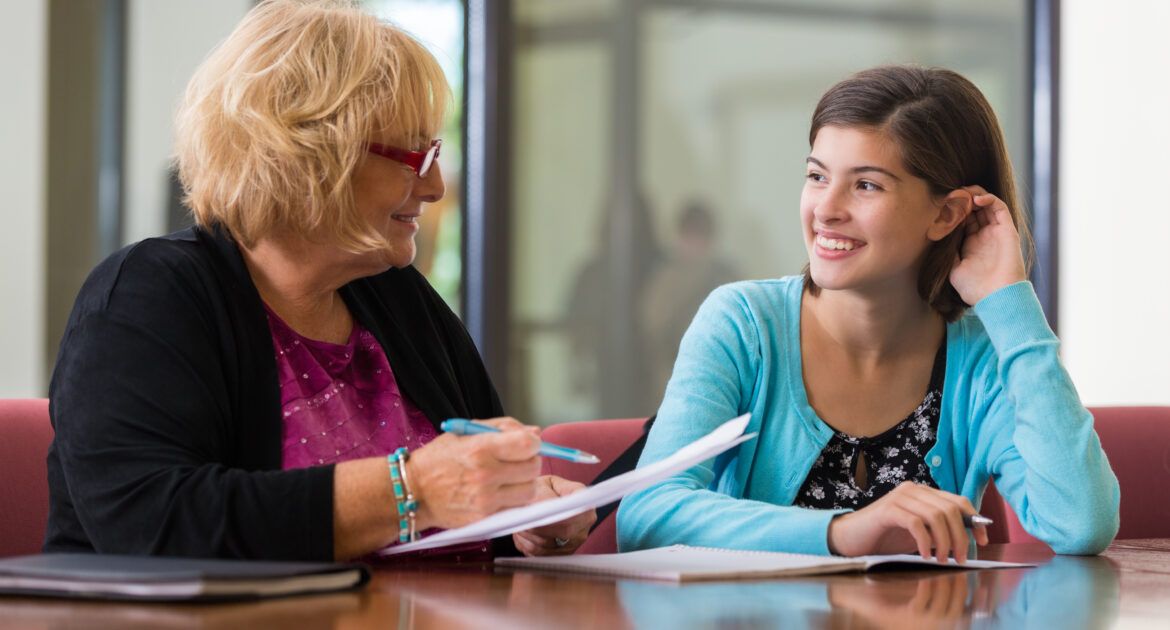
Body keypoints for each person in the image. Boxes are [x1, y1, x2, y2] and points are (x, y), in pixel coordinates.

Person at [45, 0, 593, 562]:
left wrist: (526, 518)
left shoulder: (399, 296)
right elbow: (154, 527)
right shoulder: (147, 297)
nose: (433, 189)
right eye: (412, 155)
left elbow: (467, 514)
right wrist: (411, 490)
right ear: (305, 155)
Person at [617, 65, 1119, 562]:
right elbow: (648, 516)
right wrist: (845, 532)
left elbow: (1080, 522)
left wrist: (1010, 303)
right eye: (817, 176)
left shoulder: (984, 357)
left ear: (945, 215)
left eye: (866, 186)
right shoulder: (743, 323)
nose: (825, 209)